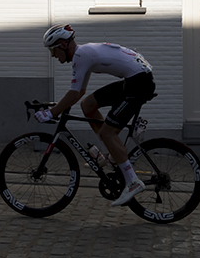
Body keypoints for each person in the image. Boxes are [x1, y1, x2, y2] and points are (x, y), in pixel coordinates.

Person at [35, 25, 156, 207]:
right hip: (136, 78)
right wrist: (59, 106)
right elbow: (81, 92)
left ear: (62, 45)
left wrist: (50, 113)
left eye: (52, 50)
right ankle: (109, 155)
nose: (53, 56)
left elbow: (74, 93)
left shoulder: (81, 55)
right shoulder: (84, 53)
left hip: (139, 83)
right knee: (88, 104)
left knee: (108, 133)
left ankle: (132, 181)